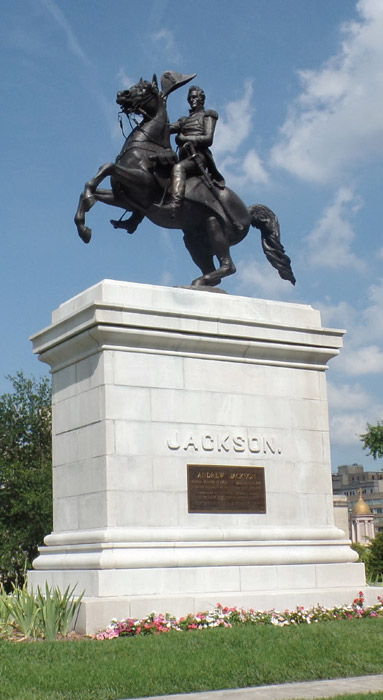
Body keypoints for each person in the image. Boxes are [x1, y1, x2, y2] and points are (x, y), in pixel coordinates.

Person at [167, 85, 225, 216]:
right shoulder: (183, 120)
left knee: (178, 168)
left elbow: (208, 139)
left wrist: (185, 138)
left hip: (198, 157)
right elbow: (165, 128)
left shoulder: (208, 115)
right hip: (183, 156)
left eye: (194, 97)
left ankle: (175, 204)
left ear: (201, 99)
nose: (192, 100)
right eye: (189, 98)